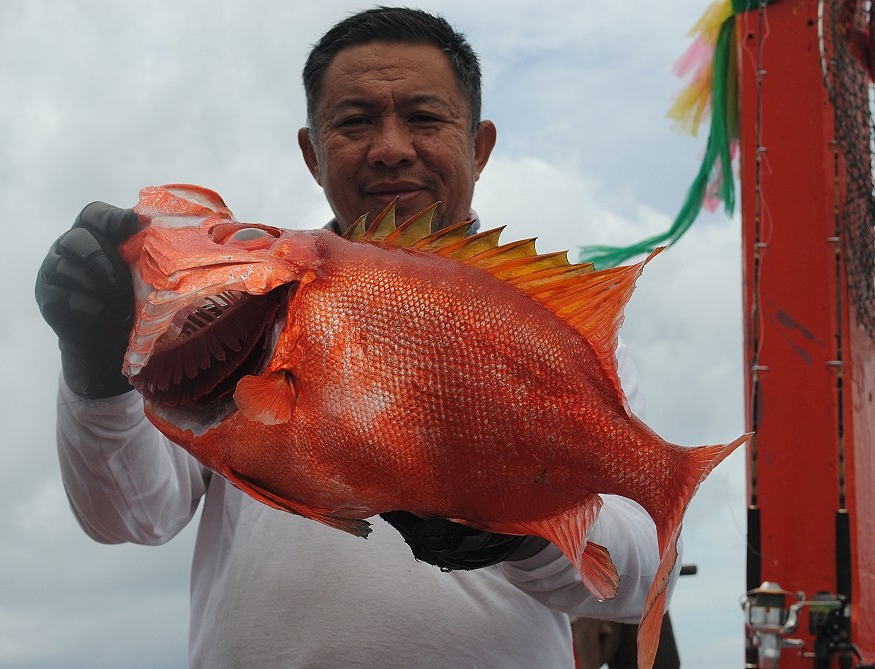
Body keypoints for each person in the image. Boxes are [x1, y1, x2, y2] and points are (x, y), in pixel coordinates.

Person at [36, 7, 679, 668]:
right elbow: (130, 516)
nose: (392, 146)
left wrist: (520, 535)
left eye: (426, 118)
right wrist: (95, 368)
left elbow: (640, 572)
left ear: (480, 146)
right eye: (355, 121)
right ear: (312, 154)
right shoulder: (239, 311)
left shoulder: (554, 335)